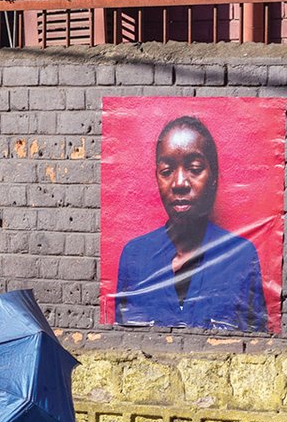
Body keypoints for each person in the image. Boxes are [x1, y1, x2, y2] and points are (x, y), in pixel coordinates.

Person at [114, 114, 267, 331]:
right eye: (166, 171)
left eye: (194, 169)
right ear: (157, 176)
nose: (179, 183)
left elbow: (256, 343)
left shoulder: (240, 256)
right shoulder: (135, 256)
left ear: (214, 176)